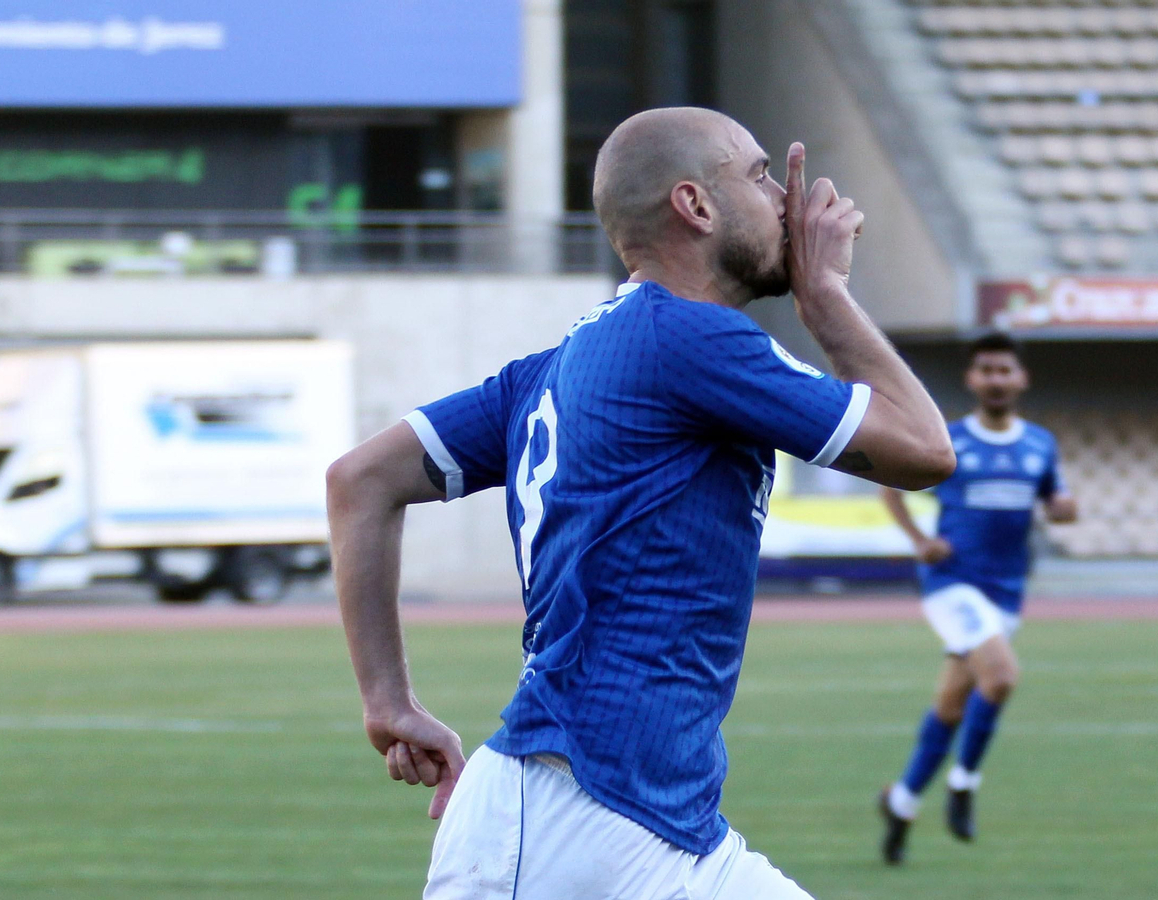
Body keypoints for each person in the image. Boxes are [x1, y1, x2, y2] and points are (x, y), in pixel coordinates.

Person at [326, 106, 955, 900]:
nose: (789, 203)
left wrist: (389, 703)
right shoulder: (687, 339)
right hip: (569, 821)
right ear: (695, 206)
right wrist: (823, 294)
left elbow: (361, 479)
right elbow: (926, 450)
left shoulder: (556, 366)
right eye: (761, 177)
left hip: (659, 824)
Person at [876, 332, 1077, 865]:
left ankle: (900, 803)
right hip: (954, 583)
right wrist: (920, 542)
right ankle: (964, 783)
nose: (995, 379)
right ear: (971, 379)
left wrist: (1063, 508)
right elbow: (890, 485)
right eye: (985, 370)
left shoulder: (1040, 444)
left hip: (1007, 591)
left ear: (1021, 378)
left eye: (1004, 370)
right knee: (1003, 677)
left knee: (950, 706)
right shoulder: (948, 440)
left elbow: (1058, 498)